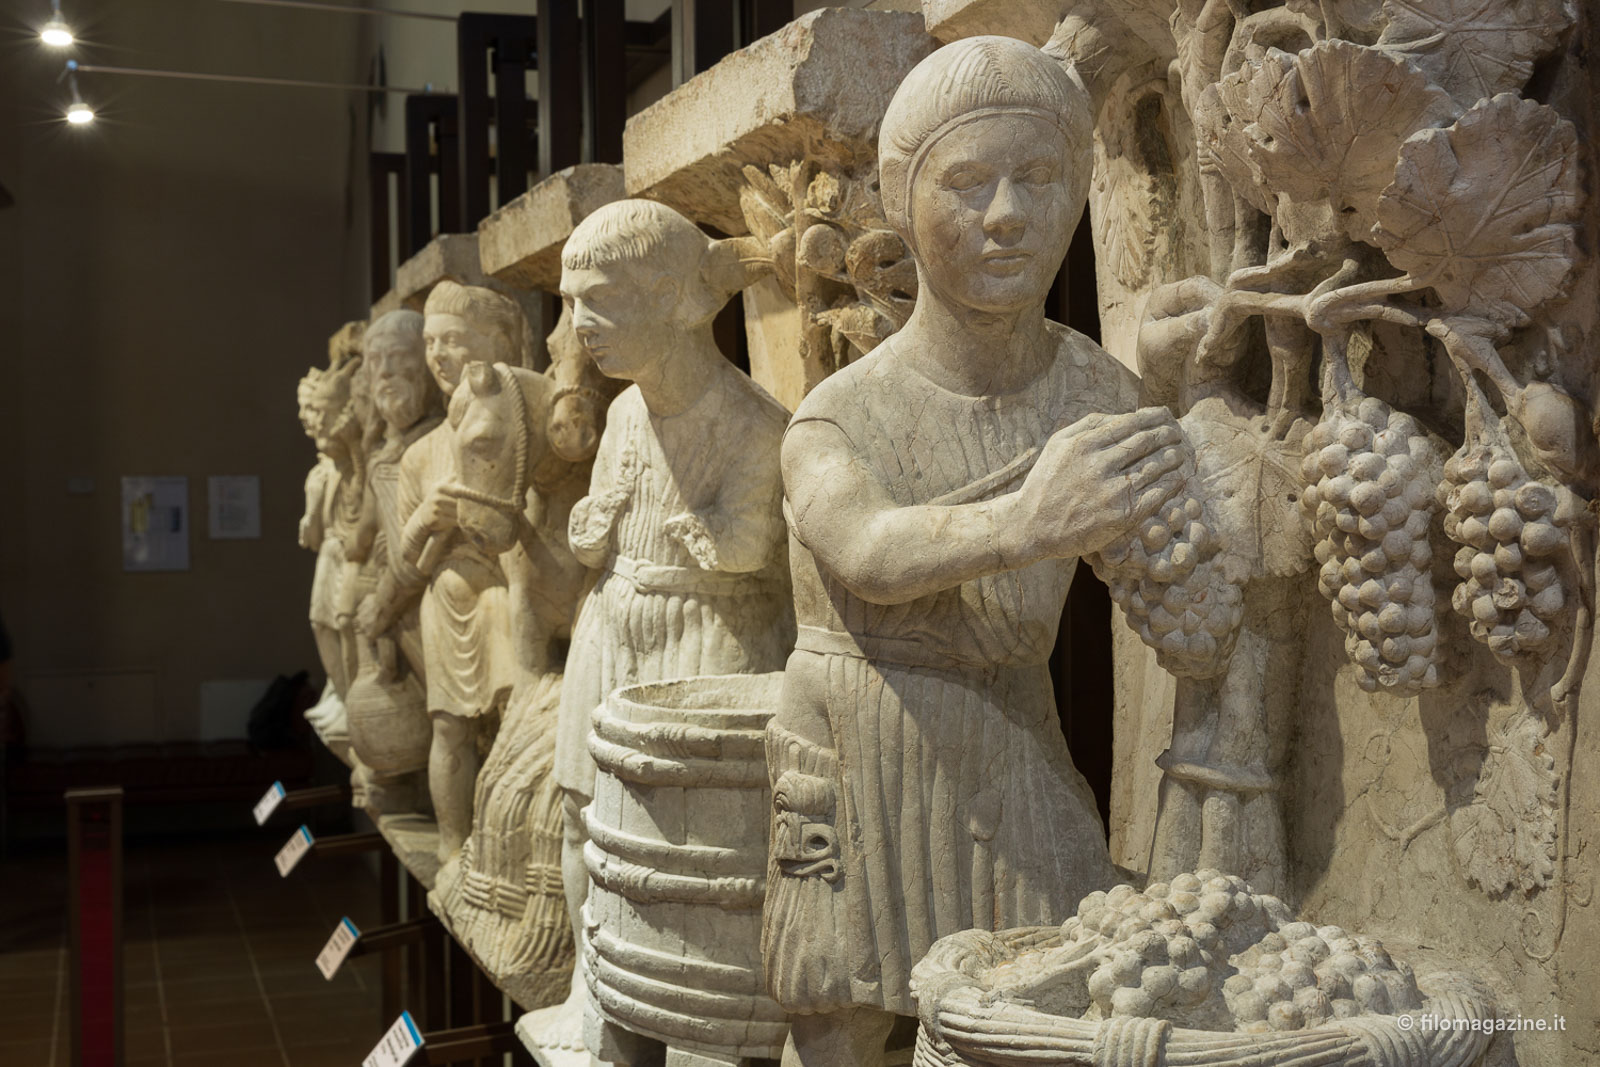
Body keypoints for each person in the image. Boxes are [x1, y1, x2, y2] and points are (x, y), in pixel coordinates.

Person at [761, 37, 1188, 1066]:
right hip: (860, 730)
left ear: (1078, 191)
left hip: (1011, 734)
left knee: (1061, 989)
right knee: (841, 1018)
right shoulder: (842, 414)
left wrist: (1201, 401)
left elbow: (1181, 575)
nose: (1007, 214)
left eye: (1039, 177)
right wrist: (1026, 522)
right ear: (905, 205)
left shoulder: (1095, 392)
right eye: (966, 182)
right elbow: (865, 547)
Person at [526, 198, 793, 1060]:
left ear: (677, 297)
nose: (579, 325)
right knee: (582, 817)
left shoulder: (755, 424)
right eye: (571, 302)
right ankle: (595, 999)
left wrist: (717, 541)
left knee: (700, 843)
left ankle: (700, 1027)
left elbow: (753, 549)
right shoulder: (625, 414)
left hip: (708, 636)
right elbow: (603, 525)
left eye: (599, 300)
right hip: (616, 623)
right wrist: (593, 528)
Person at [358, 281, 528, 863]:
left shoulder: (522, 427)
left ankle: (508, 854)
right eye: (431, 343)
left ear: (498, 340)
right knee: (451, 731)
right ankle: (455, 852)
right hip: (449, 604)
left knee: (512, 727)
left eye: (452, 340)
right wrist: (428, 519)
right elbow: (406, 563)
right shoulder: (420, 454)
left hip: (512, 599)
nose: (438, 355)